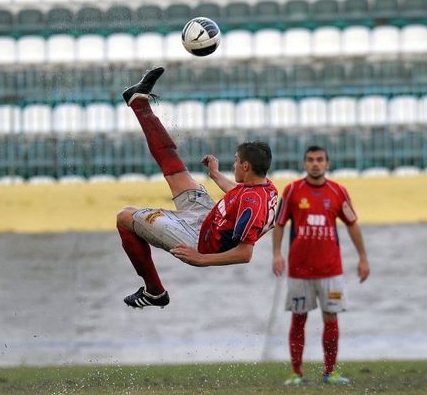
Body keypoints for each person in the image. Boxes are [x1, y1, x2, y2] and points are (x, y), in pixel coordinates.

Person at [117, 67, 278, 309]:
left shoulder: (252, 206)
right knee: (175, 171)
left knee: (124, 217)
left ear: (246, 166)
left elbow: (245, 253)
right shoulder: (266, 189)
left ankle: (154, 292)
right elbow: (240, 193)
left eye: (235, 161)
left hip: (199, 241)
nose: (233, 164)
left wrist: (202, 259)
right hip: (208, 218)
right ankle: (139, 102)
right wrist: (214, 175)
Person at [272, 145, 370, 386]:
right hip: (299, 270)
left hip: (330, 270)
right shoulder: (293, 190)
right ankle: (296, 373)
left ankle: (330, 372)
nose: (315, 164)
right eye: (310, 160)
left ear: (327, 164)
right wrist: (276, 254)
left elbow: (352, 224)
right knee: (298, 319)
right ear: (304, 163)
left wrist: (363, 257)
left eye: (319, 160)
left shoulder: (338, 191)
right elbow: (280, 223)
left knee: (331, 318)